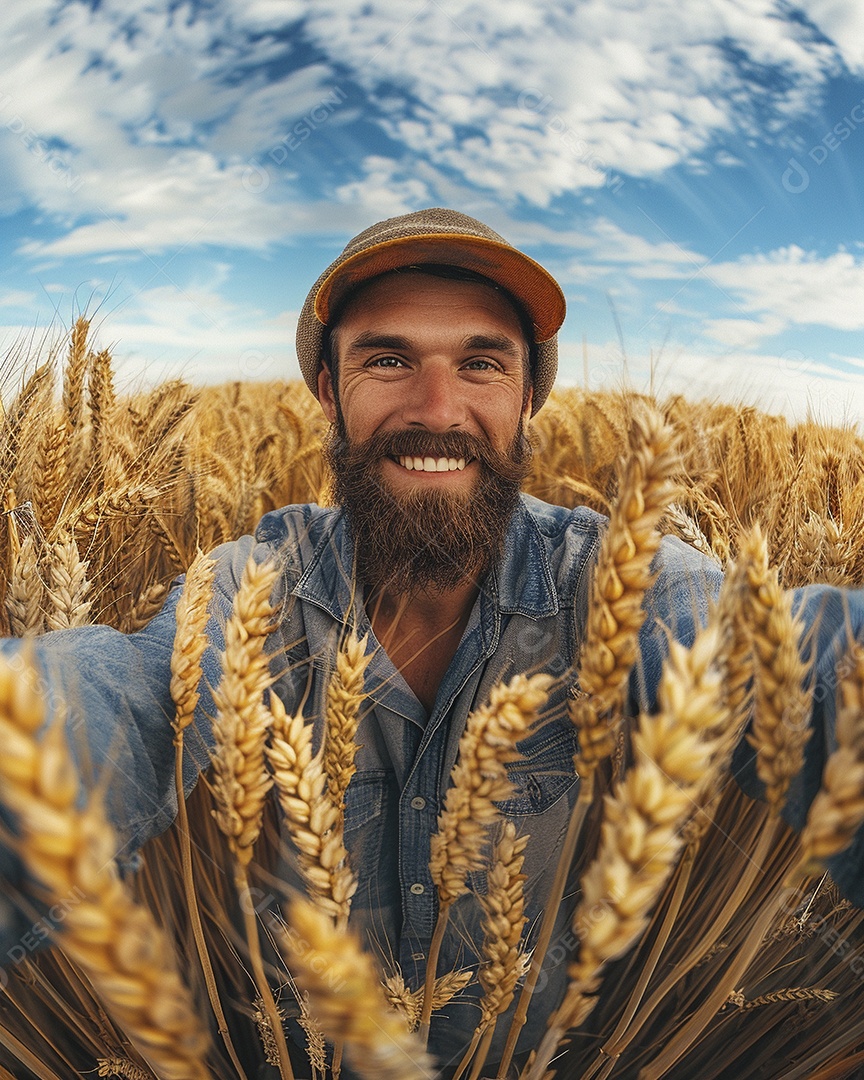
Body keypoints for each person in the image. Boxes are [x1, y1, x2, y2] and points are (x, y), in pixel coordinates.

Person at [0, 208, 861, 1075]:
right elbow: (121, 702)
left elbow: (780, 661)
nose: (438, 409)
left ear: (528, 399)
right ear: (330, 394)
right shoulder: (251, 585)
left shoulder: (616, 580)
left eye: (481, 364)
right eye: (388, 360)